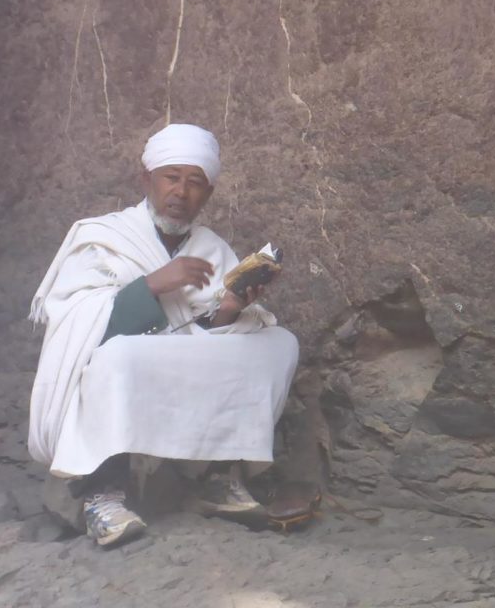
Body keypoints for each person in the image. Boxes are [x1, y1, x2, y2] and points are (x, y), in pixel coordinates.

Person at [28, 124, 299, 546]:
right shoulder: (102, 237)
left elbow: (202, 333)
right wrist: (151, 285)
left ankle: (214, 479)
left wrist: (230, 309)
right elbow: (77, 328)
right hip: (119, 361)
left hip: (183, 362)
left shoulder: (210, 247)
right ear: (147, 181)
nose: (181, 193)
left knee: (279, 344)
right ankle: (102, 495)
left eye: (195, 184)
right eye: (171, 178)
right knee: (120, 358)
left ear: (207, 194)